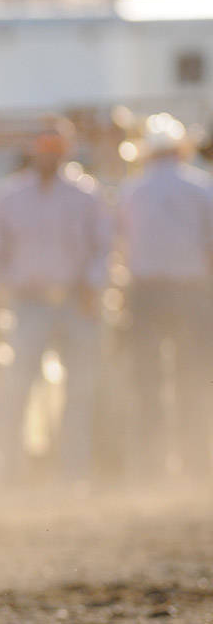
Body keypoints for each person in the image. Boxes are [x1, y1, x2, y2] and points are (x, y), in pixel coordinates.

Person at [0, 121, 111, 486]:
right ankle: (10, 473)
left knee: (79, 390)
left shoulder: (86, 195)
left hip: (73, 299)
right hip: (29, 302)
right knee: (17, 387)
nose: (49, 154)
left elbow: (103, 248)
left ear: (66, 150)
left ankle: (73, 474)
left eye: (56, 146)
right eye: (44, 146)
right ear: (33, 149)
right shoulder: (11, 197)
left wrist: (93, 285)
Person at [116, 114, 213, 484]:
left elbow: (120, 246)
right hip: (190, 291)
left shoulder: (131, 191)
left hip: (146, 293)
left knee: (148, 381)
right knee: (192, 378)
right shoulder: (202, 187)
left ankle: (150, 468)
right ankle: (196, 465)